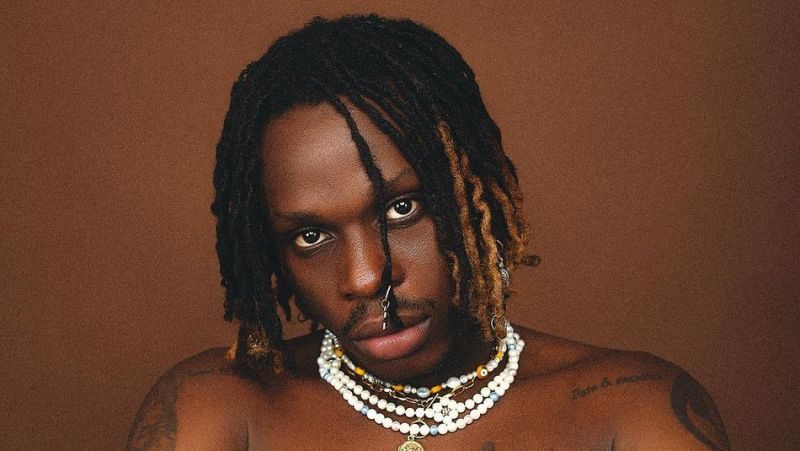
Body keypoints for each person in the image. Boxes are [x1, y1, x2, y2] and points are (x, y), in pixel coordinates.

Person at [126, 14, 730, 450]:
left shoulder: (632, 408)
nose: (367, 277)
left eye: (402, 209)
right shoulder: (214, 409)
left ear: (477, 192)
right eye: (311, 237)